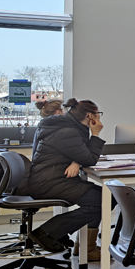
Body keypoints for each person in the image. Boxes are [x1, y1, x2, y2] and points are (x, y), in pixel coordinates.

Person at [27, 99, 105, 256]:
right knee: (102, 199)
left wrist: (76, 160)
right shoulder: (68, 132)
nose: (99, 117)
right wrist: (95, 134)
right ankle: (46, 233)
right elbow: (89, 159)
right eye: (98, 114)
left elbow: (79, 153)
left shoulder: (66, 126)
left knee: (102, 197)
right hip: (49, 182)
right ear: (90, 115)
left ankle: (75, 241)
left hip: (50, 177)